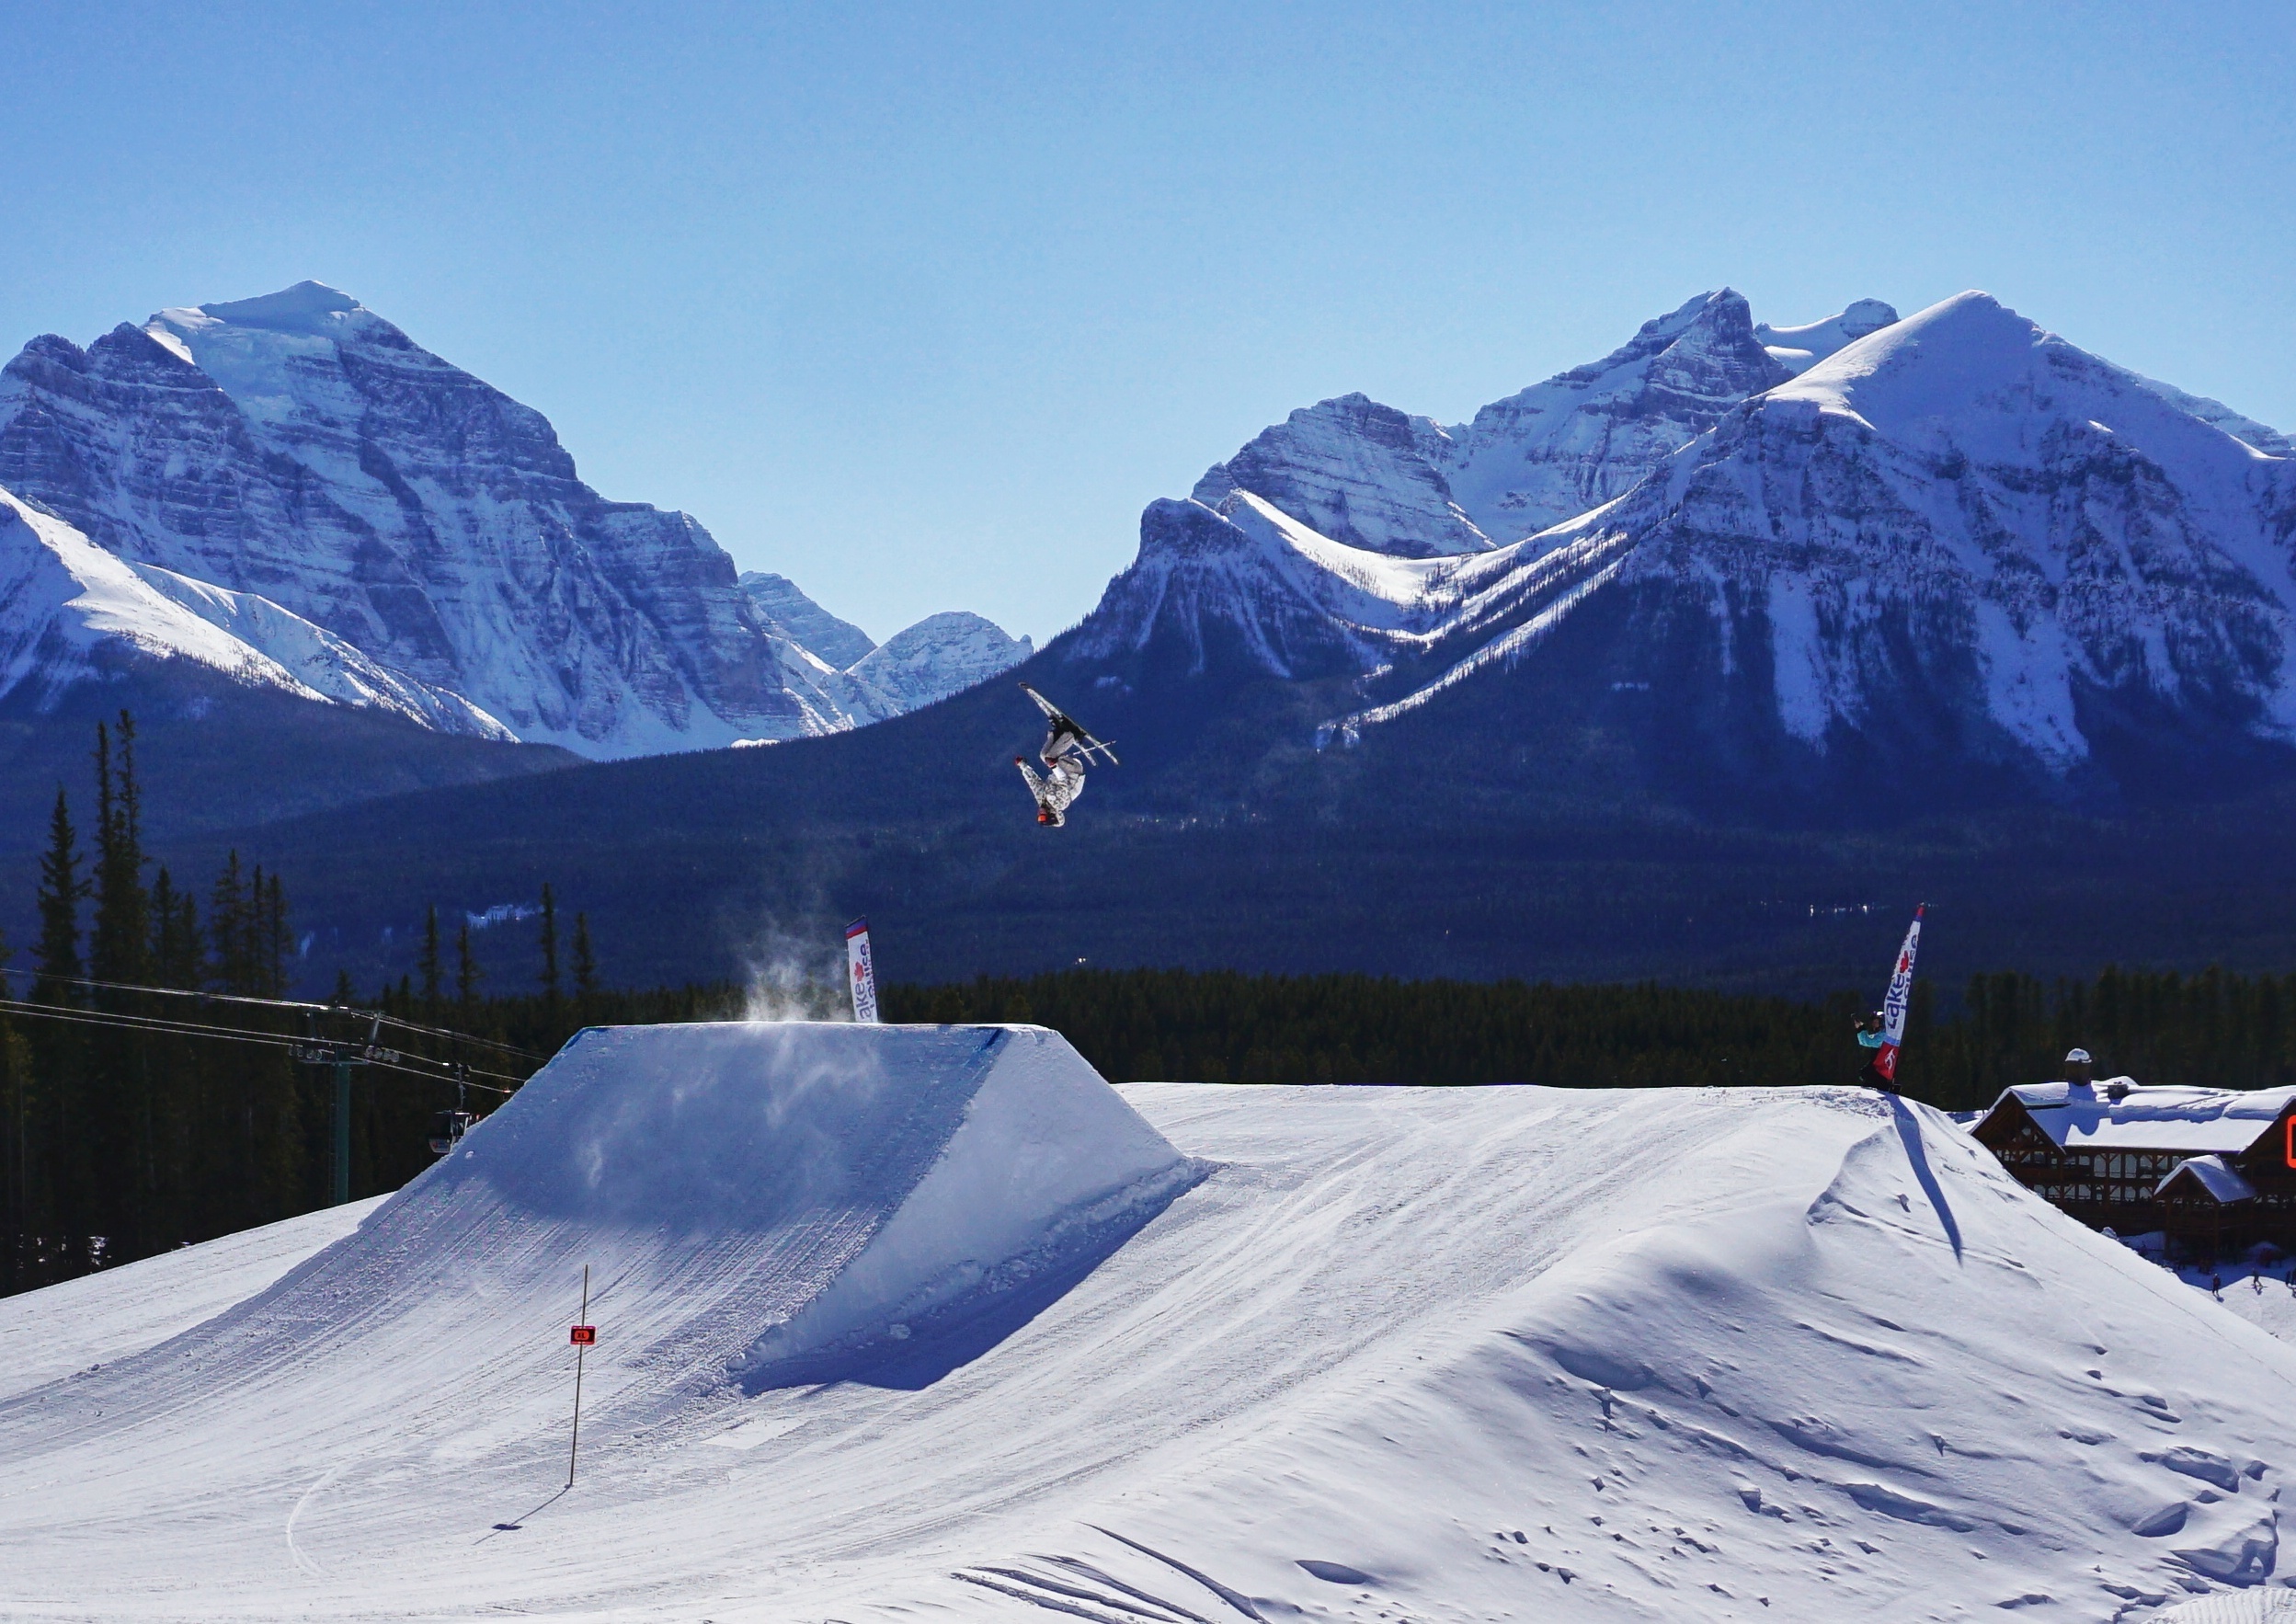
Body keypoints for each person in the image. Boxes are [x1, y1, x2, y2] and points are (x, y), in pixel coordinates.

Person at [1015, 753, 1085, 827]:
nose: (1039, 813)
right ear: (1050, 815)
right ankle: (1070, 742)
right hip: (1073, 772)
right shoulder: (1059, 804)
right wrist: (1054, 766)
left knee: (1046, 755)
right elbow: (1063, 780)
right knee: (1048, 755)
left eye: (1039, 817)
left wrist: (1023, 766)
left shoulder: (1043, 801)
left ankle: (1063, 745)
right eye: (1042, 816)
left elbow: (1034, 782)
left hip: (1065, 770)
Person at [1854, 1010, 1892, 1091]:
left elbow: (1868, 1041)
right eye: (1873, 1022)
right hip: (1879, 1065)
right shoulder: (1883, 1034)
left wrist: (1861, 1028)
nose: (1874, 1024)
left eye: (1876, 1022)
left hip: (1880, 1066)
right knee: (1866, 1073)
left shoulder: (1884, 1035)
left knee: (1868, 1075)